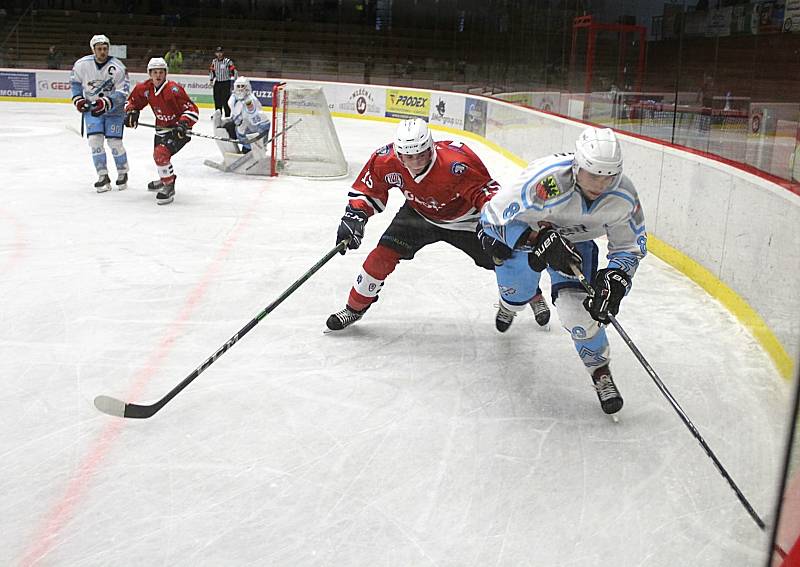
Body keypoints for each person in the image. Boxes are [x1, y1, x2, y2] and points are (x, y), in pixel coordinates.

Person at [478, 127, 647, 415]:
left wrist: (617, 278)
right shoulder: (544, 178)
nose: (601, 184)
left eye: (609, 176)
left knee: (578, 316)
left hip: (575, 247)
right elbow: (491, 219)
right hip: (524, 241)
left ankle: (599, 371)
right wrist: (534, 238)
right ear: (577, 166)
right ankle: (513, 303)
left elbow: (630, 247)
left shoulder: (624, 196)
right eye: (593, 174)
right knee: (517, 294)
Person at [326, 118, 550, 331]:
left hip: (465, 220)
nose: (415, 162)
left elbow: (488, 197)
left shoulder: (457, 163)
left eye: (421, 155)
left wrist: (493, 228)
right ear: (398, 153)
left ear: (431, 148)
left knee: (504, 258)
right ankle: (353, 309)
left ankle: (533, 294)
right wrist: (355, 216)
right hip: (418, 215)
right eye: (408, 157)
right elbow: (369, 190)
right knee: (380, 257)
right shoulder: (385, 160)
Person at [123, 57, 199, 205]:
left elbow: (192, 109)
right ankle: (163, 178)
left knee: (161, 154)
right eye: (155, 72)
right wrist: (131, 112)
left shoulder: (173, 89)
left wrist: (183, 124)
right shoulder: (144, 88)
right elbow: (132, 102)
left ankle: (169, 184)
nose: (158, 75)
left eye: (161, 72)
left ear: (165, 73)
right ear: (150, 74)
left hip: (178, 130)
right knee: (159, 156)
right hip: (161, 129)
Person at [70, 34, 130, 192]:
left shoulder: (118, 66)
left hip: (114, 111)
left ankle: (123, 172)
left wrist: (106, 103)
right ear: (93, 49)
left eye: (105, 48)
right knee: (95, 142)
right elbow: (75, 83)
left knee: (114, 143)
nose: (103, 51)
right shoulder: (81, 65)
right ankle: (102, 176)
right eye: (99, 49)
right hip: (92, 110)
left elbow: (123, 92)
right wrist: (78, 99)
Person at [226, 76, 271, 152]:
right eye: (238, 86)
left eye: (243, 86)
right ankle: (246, 148)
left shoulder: (250, 100)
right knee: (229, 127)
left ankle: (251, 150)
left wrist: (243, 127)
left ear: (248, 87)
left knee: (246, 135)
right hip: (248, 127)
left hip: (258, 127)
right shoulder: (234, 98)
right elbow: (235, 113)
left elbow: (253, 117)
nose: (240, 89)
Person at [209, 46, 237, 117]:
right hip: (218, 82)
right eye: (218, 53)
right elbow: (212, 71)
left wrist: (235, 80)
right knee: (217, 99)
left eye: (220, 52)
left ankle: (227, 115)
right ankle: (218, 114)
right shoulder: (214, 61)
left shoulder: (228, 61)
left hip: (226, 82)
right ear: (215, 53)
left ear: (223, 53)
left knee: (226, 100)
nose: (219, 54)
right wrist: (211, 80)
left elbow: (233, 70)